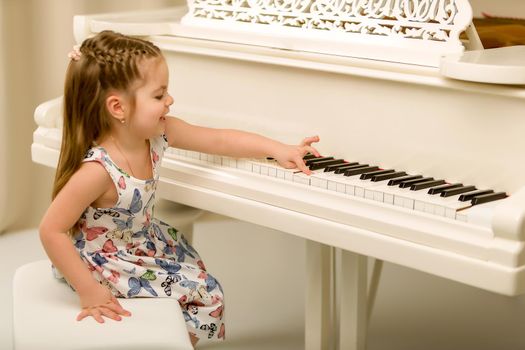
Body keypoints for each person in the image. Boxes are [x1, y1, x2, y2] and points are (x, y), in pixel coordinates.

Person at [39, 30, 320, 347]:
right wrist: (89, 290)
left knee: (191, 264)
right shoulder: (98, 171)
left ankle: (169, 339)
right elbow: (51, 230)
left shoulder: (158, 134)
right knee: (208, 293)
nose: (169, 100)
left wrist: (278, 149)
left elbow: (218, 140)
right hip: (106, 261)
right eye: (159, 96)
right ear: (118, 108)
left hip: (140, 241)